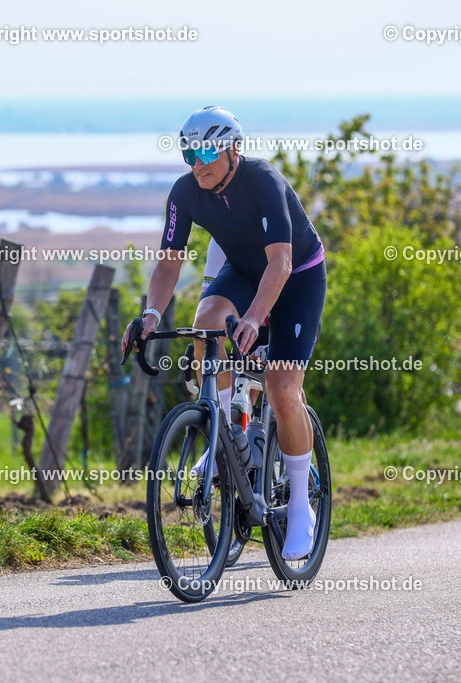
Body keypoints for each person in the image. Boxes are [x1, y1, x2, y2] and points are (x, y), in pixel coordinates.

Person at [122, 106, 326, 560]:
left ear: (234, 149)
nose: (198, 162)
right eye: (189, 152)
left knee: (281, 385)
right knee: (206, 321)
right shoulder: (184, 192)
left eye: (207, 151)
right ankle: (225, 430)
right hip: (244, 270)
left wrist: (254, 318)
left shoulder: (263, 180)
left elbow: (281, 263)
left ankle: (298, 505)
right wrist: (151, 315)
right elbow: (170, 261)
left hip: (296, 275)